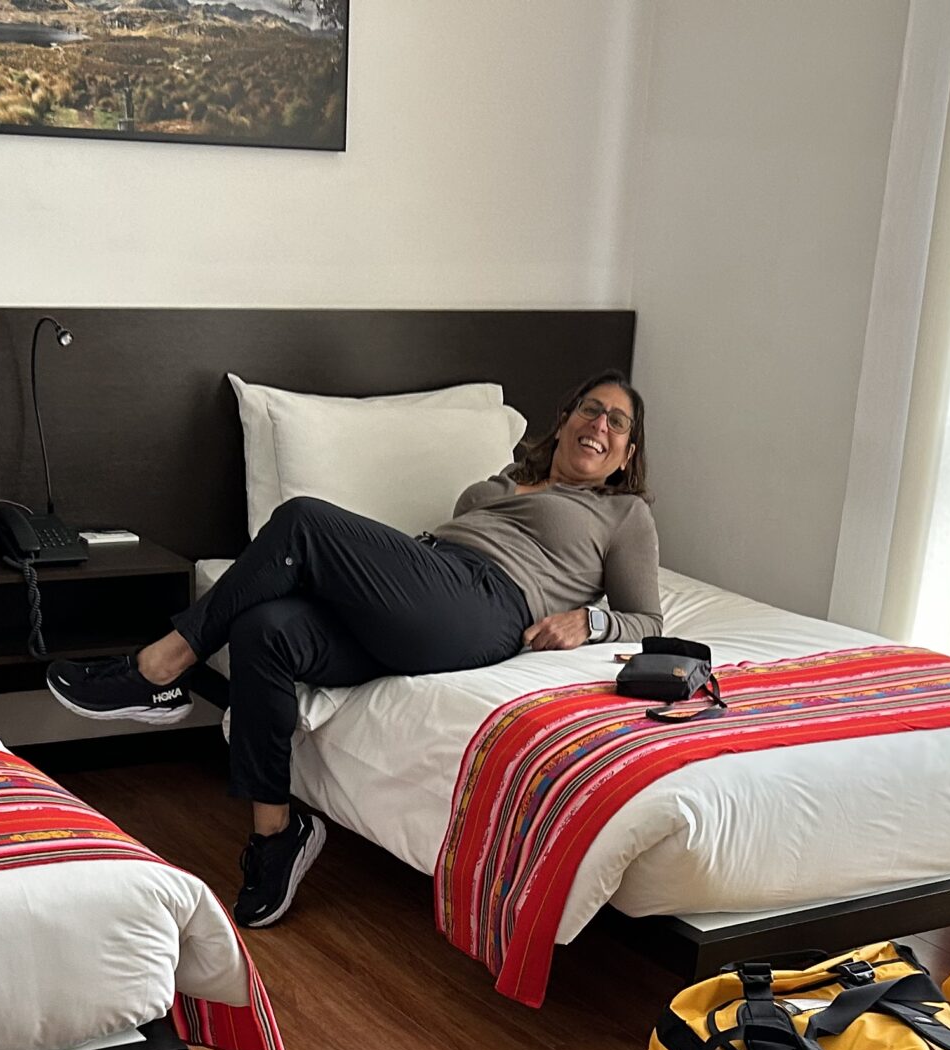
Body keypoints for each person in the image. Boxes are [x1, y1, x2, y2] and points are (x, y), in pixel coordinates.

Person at [47, 371, 662, 928]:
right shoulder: (497, 485)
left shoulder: (622, 513)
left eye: (617, 422)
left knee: (303, 520)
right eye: (590, 409)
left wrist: (589, 621)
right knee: (262, 629)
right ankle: (275, 836)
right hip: (427, 592)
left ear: (626, 454)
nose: (599, 424)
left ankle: (159, 668)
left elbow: (647, 618)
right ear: (565, 421)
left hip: (485, 606)